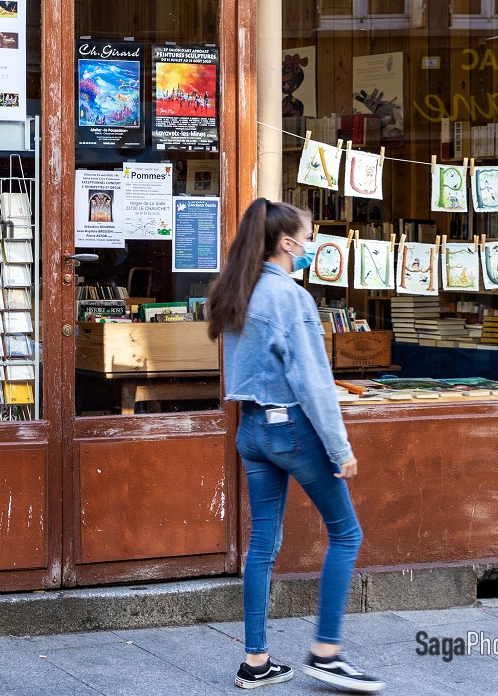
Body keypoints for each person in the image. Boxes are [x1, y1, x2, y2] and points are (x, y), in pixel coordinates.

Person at [207, 199, 383, 693]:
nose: (311, 245)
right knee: (346, 534)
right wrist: (339, 447)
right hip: (292, 429)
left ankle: (256, 662)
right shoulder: (291, 298)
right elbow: (314, 383)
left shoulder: (240, 290)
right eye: (308, 237)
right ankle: (327, 652)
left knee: (262, 545)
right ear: (287, 243)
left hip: (252, 429)